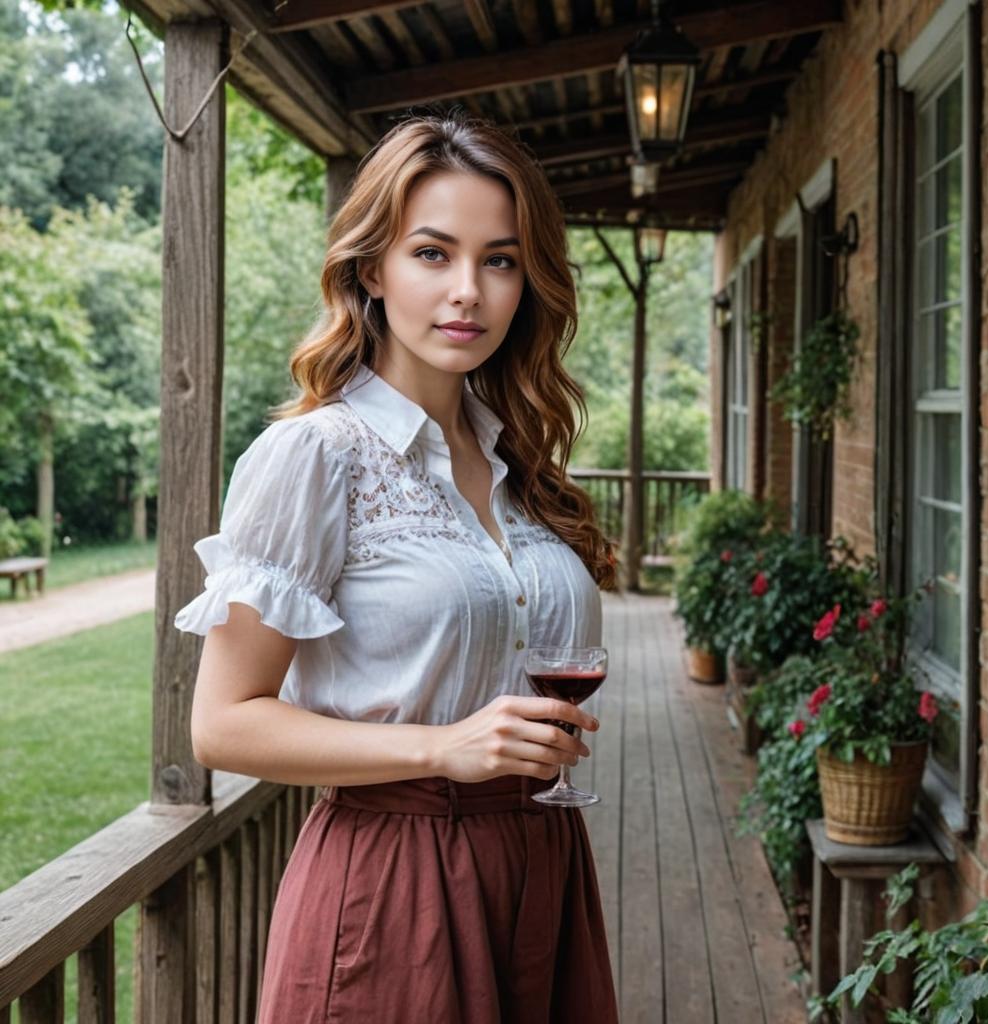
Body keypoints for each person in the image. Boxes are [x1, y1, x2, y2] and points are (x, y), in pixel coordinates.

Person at [174, 108, 621, 1023]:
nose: (468, 291)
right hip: (396, 885)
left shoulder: (519, 465)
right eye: (432, 253)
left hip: (542, 865)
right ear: (372, 268)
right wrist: (441, 750)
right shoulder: (316, 456)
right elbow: (222, 727)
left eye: (499, 260)